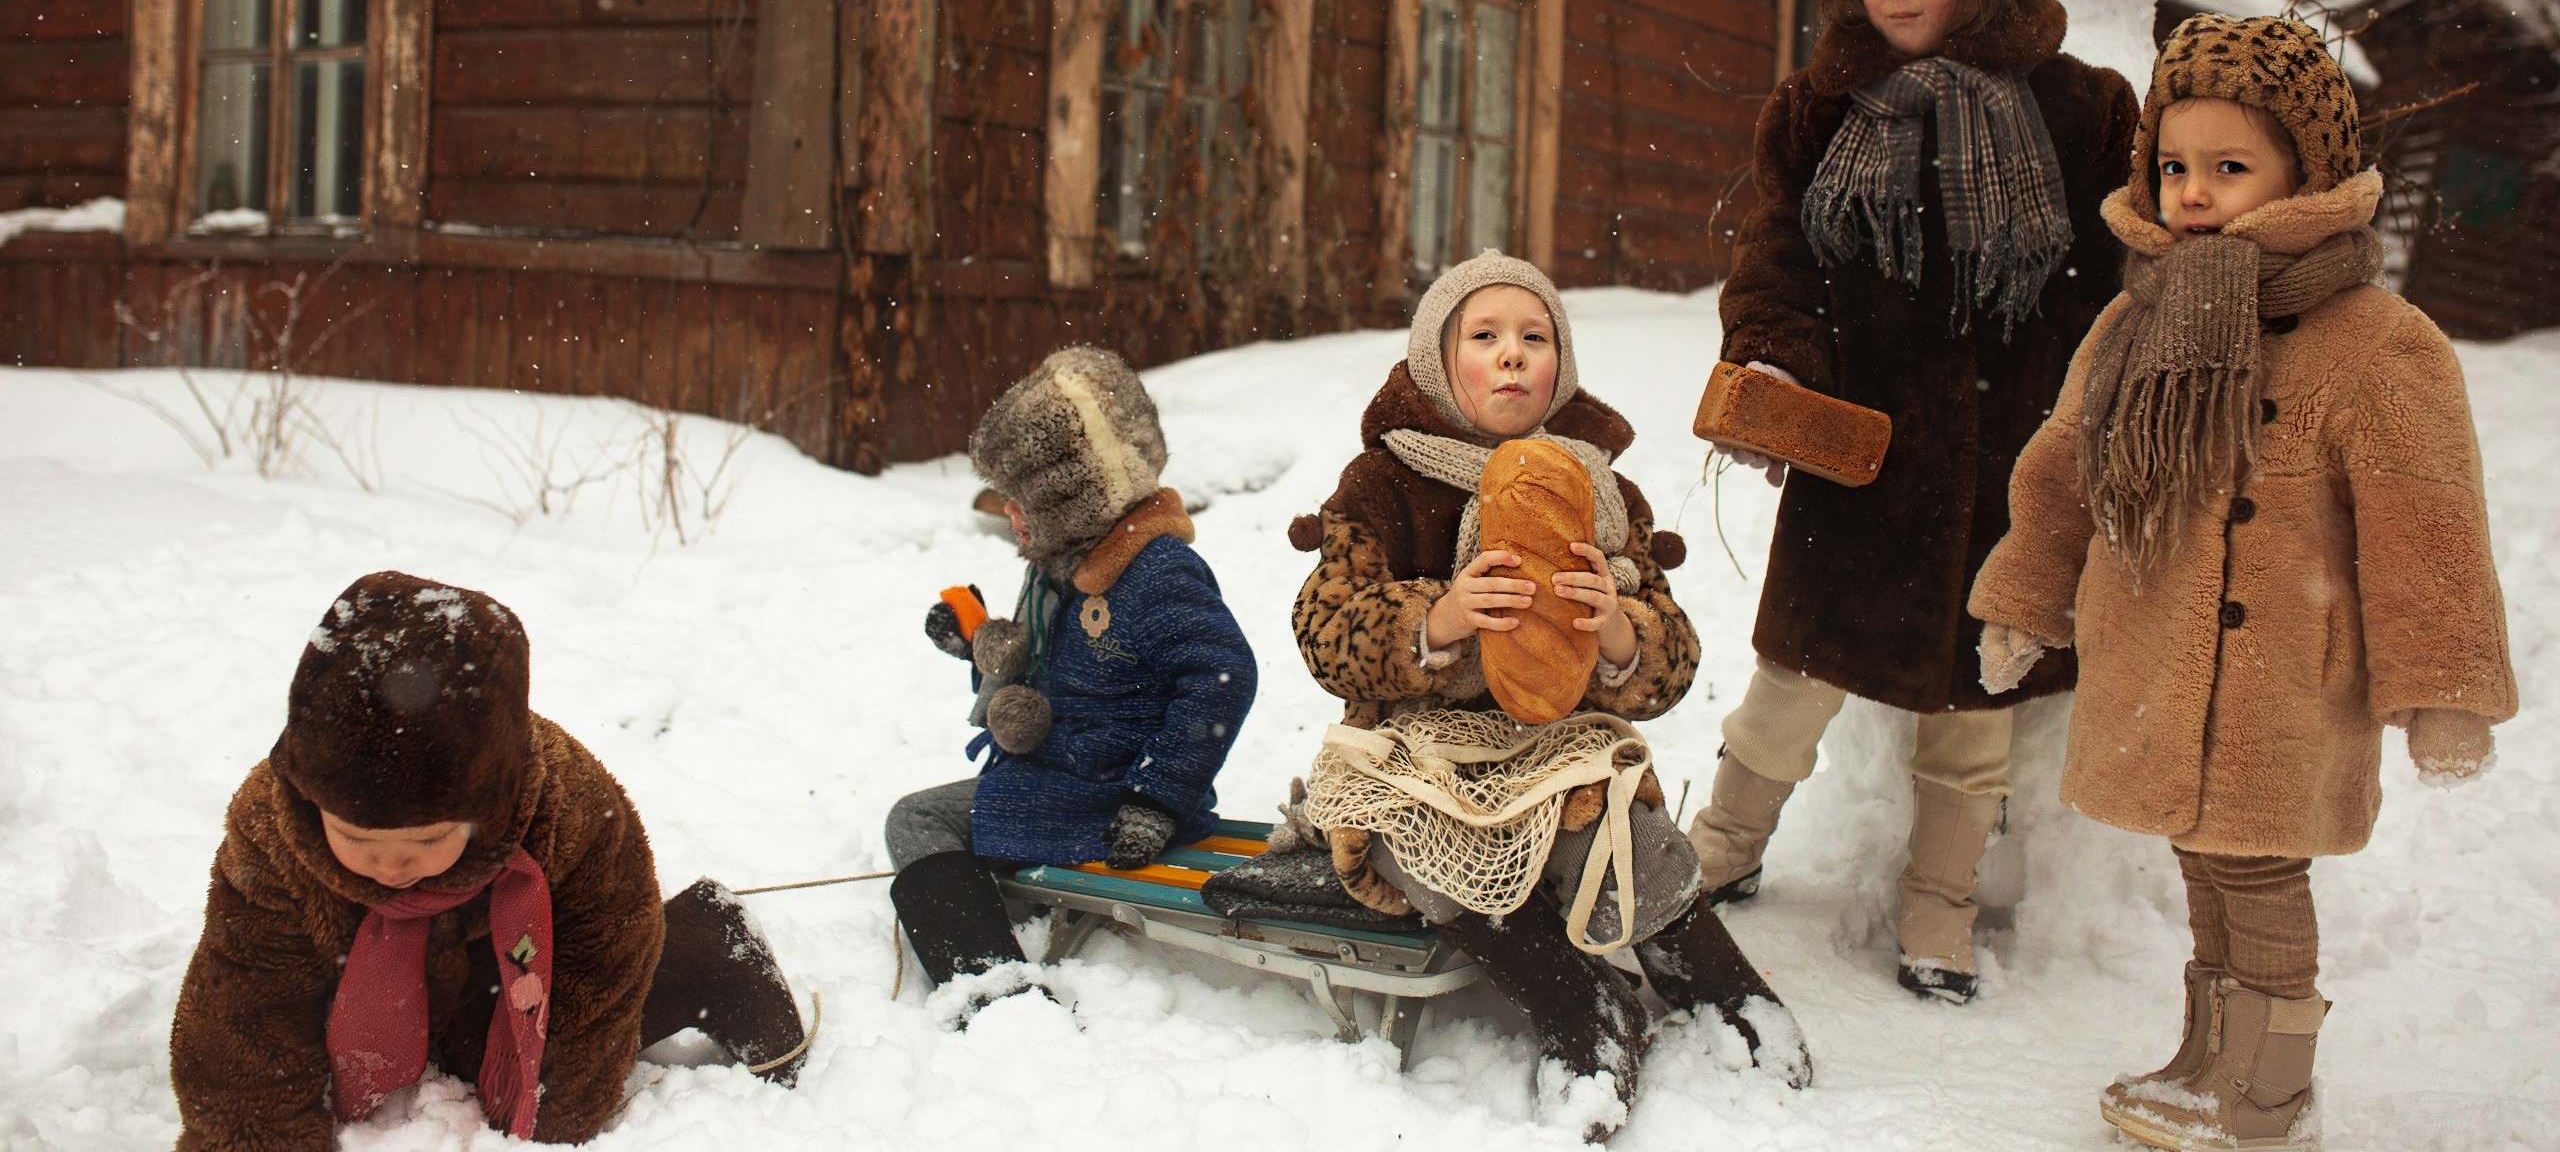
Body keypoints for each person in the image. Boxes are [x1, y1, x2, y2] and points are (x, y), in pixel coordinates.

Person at [1971, 13, 2517, 1151]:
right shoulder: (2134, 318)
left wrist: (2444, 687)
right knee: (2201, 857)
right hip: (2158, 649)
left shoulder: (2374, 339)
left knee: (2259, 871)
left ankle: (2271, 1091)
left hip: (2280, 670)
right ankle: (2206, 1056)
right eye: (2174, 165)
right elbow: (2064, 464)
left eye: (2229, 165)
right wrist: (2025, 592)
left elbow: (2429, 523)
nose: (2193, 192)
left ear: (2301, 171)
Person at [1699, 0, 2142, 1002]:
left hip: (2015, 468)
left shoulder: (2082, 111)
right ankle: (1718, 853)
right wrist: (1774, 366)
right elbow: (1773, 262)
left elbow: (2119, 282)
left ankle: (1937, 912)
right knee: (1790, 674)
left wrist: (2100, 421)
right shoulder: (1818, 110)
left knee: (1974, 707)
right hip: (1861, 455)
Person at [1288, 251, 1803, 1142]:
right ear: (1436, 361)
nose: (1514, 354)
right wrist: (1439, 617)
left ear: (1560, 363)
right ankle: (1581, 1003)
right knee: (1434, 853)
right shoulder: (1384, 481)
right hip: (1422, 754)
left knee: (1626, 840)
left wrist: (1618, 630)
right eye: (1485, 337)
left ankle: (1713, 980)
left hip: (1559, 748)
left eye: (1535, 337)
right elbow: (1325, 628)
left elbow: (1672, 660)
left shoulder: (1601, 491)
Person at [170, 574, 806, 1150]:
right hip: (361, 962)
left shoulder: (571, 808)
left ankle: (708, 948)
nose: (388, 867)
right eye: (356, 838)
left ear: (487, 810)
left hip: (514, 964)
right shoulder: (271, 824)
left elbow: (598, 979)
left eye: (424, 842)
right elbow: (243, 1000)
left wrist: (550, 1125)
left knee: (485, 1055)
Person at [885, 346, 1257, 1017]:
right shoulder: (1064, 562)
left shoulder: (1154, 572)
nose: (1012, 519)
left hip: (1109, 799)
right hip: (1072, 778)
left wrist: (1157, 801)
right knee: (927, 816)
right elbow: (1053, 673)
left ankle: (992, 987)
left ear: (1081, 495)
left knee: (918, 819)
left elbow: (1222, 675)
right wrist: (971, 646)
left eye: (1024, 503)